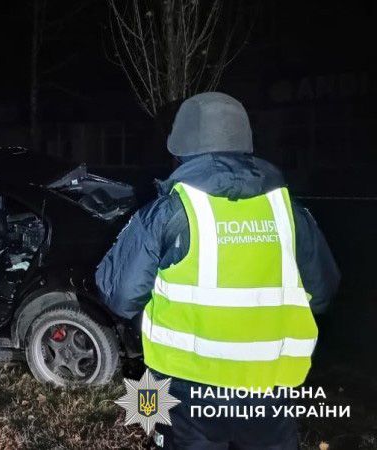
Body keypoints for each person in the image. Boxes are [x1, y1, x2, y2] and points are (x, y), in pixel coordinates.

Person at [95, 92, 339, 449]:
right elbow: (324, 293)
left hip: (186, 392)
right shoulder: (287, 211)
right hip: (272, 391)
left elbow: (119, 295)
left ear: (180, 149)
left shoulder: (169, 212)